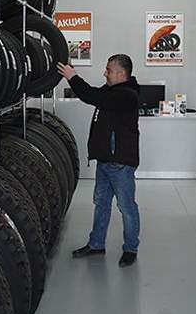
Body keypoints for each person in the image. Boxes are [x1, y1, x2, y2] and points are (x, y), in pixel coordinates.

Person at [57, 55, 141, 267]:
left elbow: (91, 96)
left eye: (108, 70)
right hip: (105, 160)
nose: (105, 73)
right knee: (101, 204)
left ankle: (130, 249)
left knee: (126, 207)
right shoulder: (111, 90)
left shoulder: (127, 95)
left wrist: (72, 77)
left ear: (121, 74)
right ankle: (96, 244)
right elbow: (93, 93)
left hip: (120, 162)